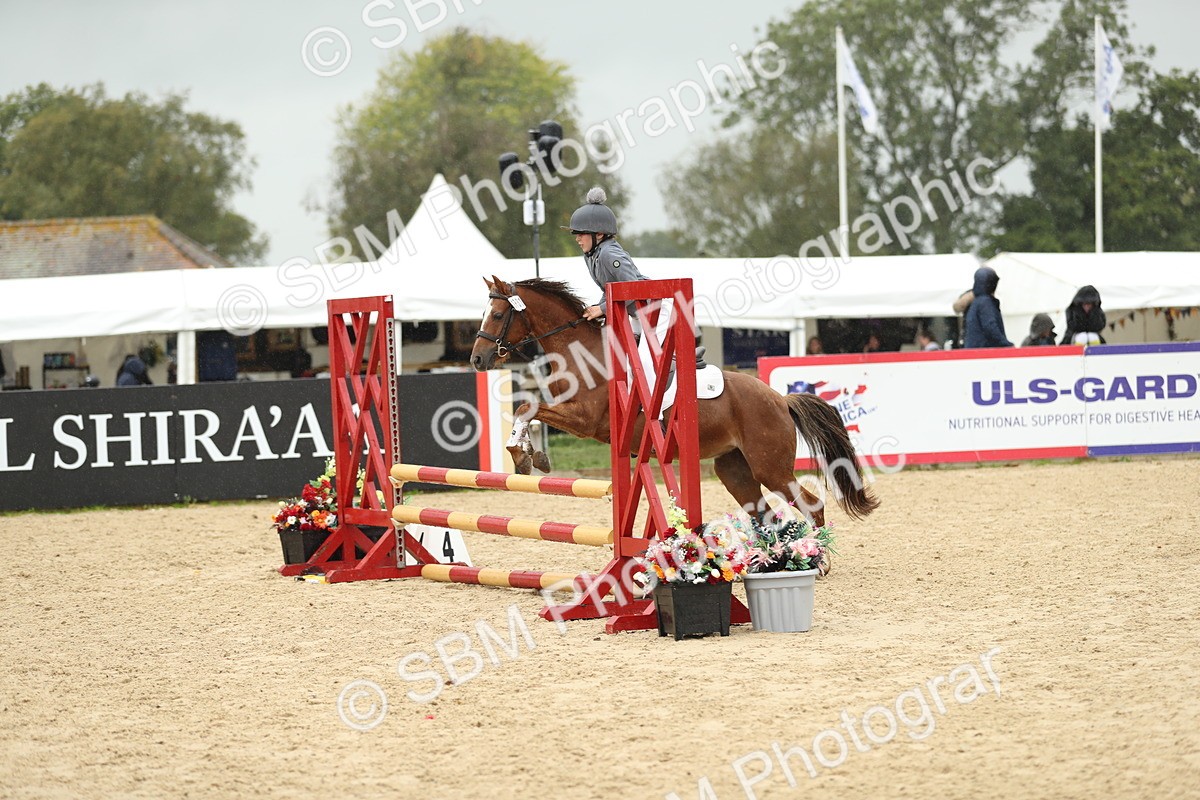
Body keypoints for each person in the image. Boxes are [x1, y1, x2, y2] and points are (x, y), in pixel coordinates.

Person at [564, 186, 650, 322]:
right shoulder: (591, 256)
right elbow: (609, 290)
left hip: (653, 312)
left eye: (581, 234)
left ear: (599, 234)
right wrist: (597, 308)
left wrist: (602, 309)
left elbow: (633, 288)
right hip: (635, 315)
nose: (577, 239)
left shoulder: (609, 254)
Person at [963, 266, 1013, 348]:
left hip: (975, 350)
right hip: (984, 351)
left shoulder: (976, 302)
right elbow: (990, 327)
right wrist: (1006, 344)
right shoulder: (985, 302)